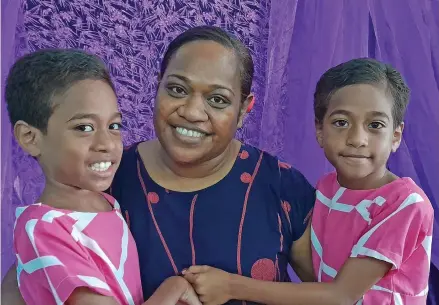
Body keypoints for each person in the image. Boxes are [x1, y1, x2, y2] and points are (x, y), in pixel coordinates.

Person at [1, 26, 317, 305]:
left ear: (244, 108)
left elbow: (337, 292)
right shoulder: (103, 179)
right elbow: (31, 275)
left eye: (217, 99)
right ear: (158, 85)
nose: (192, 112)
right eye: (177, 90)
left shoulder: (280, 185)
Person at [180, 59, 434, 305]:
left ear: (396, 136)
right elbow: (314, 273)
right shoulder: (326, 189)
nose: (357, 138)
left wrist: (230, 286)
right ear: (320, 131)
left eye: (375, 125)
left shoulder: (405, 205)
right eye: (341, 123)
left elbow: (341, 297)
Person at [4, 49, 200, 305]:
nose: (106, 143)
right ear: (30, 138)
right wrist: (174, 289)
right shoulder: (44, 229)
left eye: (114, 126)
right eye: (84, 128)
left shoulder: (106, 203)